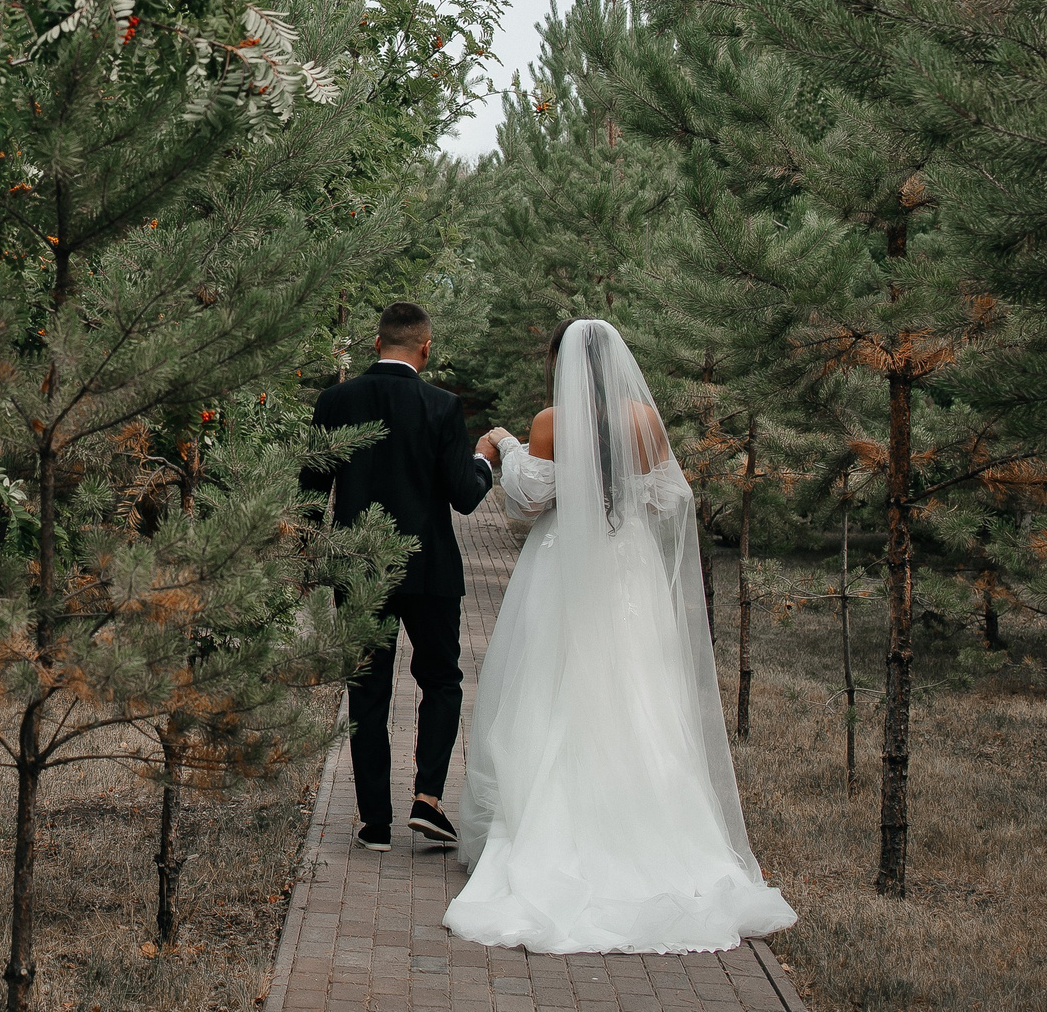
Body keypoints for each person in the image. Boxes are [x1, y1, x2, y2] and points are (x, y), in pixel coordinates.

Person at [444, 318, 796, 953]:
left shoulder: (553, 422)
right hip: (627, 566)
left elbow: (528, 503)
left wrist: (508, 447)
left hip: (565, 562)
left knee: (556, 684)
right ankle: (653, 819)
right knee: (638, 687)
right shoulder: (645, 420)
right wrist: (621, 504)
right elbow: (668, 500)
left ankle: (554, 824)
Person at [305, 300, 502, 852]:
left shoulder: (335, 401)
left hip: (359, 567)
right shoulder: (441, 406)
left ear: (376, 344)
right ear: (425, 348)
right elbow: (465, 497)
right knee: (440, 680)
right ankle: (429, 801)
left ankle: (373, 823)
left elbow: (310, 491)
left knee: (367, 691)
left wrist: (306, 559)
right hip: (430, 569)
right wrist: (484, 458)